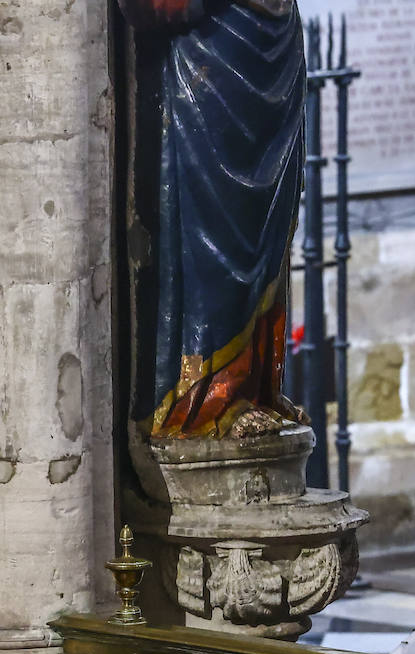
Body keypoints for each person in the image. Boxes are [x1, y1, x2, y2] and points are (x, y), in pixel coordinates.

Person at [125, 0, 306, 438]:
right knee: (213, 230)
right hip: (212, 50)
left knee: (269, 229)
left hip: (274, 44)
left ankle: (256, 382)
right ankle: (207, 397)